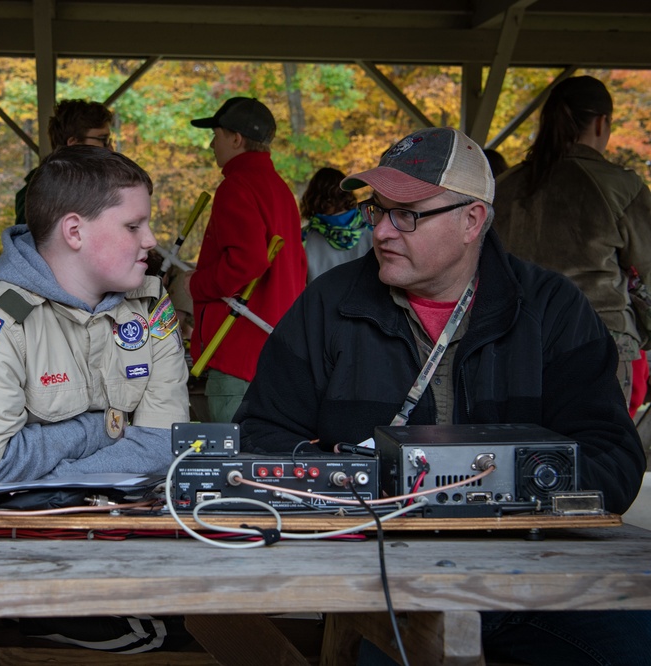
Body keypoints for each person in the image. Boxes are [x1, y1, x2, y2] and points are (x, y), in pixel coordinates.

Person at [237, 126, 649, 664]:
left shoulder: (551, 309)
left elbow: (615, 460)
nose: (382, 231)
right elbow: (257, 438)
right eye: (377, 211)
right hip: (385, 584)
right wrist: (358, 479)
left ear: (471, 220)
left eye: (406, 215)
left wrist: (504, 480)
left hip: (540, 582)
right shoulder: (328, 306)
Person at [0, 145, 188, 482]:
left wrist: (55, 477)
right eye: (133, 226)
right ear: (74, 232)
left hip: (121, 524)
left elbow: (165, 444)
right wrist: (102, 428)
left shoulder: (148, 303)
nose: (151, 240)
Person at [492, 75, 651, 410]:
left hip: (511, 344)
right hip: (601, 342)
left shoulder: (502, 186)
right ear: (601, 122)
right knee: (602, 455)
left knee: (525, 454)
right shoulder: (619, 186)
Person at [181, 96, 306, 422]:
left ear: (236, 138)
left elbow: (247, 263)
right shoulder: (280, 189)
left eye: (217, 134)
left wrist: (196, 283)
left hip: (238, 351)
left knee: (233, 466)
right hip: (275, 350)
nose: (211, 144)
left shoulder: (236, 186)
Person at [13, 99, 114, 226]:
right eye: (102, 139)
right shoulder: (38, 192)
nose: (110, 149)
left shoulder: (101, 185)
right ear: (74, 143)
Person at [300, 166, 373, 282]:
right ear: (347, 194)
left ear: (313, 197)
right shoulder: (374, 228)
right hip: (368, 299)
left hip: (321, 299)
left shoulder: (303, 238)